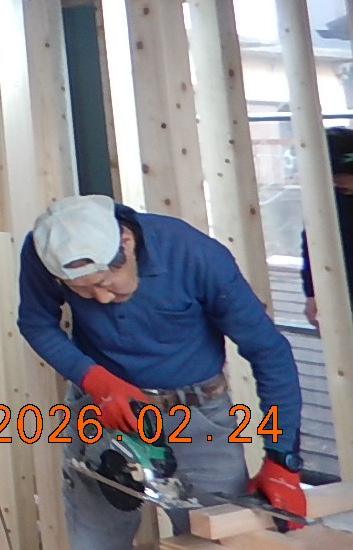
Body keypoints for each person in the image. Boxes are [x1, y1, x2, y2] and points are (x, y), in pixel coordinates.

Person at [17, 194, 305, 549]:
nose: (101, 298)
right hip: (103, 412)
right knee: (96, 541)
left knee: (220, 538)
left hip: (197, 418)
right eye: (83, 291)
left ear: (126, 242)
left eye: (106, 282)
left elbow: (269, 352)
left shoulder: (195, 255)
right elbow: (36, 324)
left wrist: (282, 458)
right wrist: (96, 381)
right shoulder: (45, 250)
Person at [301, 127, 353, 331]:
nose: (336, 182)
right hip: (340, 289)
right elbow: (312, 245)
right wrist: (312, 293)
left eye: (341, 175)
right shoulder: (327, 201)